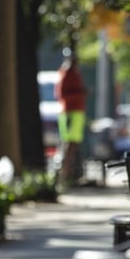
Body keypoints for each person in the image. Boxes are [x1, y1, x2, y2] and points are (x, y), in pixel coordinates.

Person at [55, 51, 87, 185]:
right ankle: (66, 174)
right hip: (70, 112)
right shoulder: (66, 73)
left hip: (77, 112)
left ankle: (70, 173)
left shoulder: (74, 73)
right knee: (69, 144)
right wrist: (80, 93)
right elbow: (61, 94)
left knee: (73, 145)